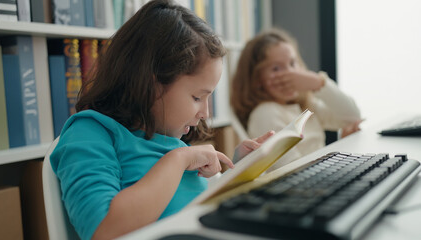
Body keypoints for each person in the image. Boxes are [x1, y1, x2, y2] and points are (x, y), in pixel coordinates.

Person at [50, 1, 274, 239]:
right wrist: (179, 159)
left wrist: (236, 171)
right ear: (151, 84)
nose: (205, 113)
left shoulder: (164, 134)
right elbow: (103, 230)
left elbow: (188, 203)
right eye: (197, 97)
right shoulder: (89, 133)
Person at [230, 28, 362, 172]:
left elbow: (352, 117)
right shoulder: (266, 113)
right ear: (256, 79)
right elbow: (294, 169)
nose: (289, 74)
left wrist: (318, 83)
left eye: (293, 64)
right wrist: (341, 147)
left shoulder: (306, 106)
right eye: (276, 68)